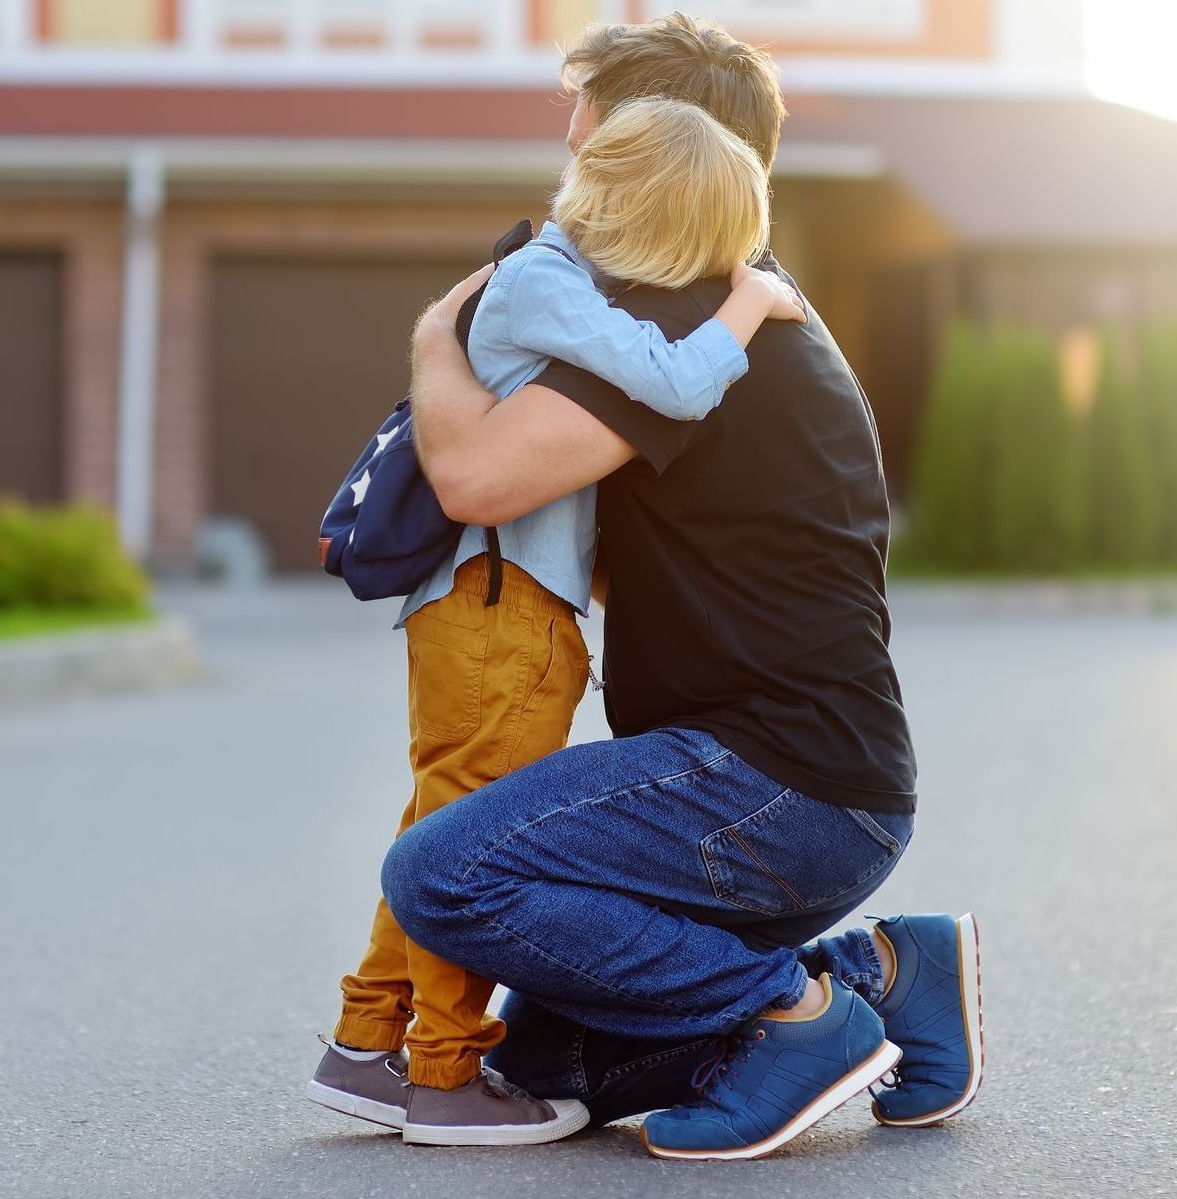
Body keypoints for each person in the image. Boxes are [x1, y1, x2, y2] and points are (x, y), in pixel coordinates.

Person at [373, 14, 985, 1161]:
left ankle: (795, 1015)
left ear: (656, 138)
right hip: (810, 789)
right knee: (552, 1062)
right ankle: (890, 971)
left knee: (442, 875)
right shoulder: (732, 303)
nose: (569, 140)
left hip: (769, 785)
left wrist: (437, 330)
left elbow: (473, 474)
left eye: (586, 115)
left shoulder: (680, 315)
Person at [309, 95, 808, 1147]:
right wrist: (750, 305)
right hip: (501, 610)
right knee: (466, 846)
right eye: (704, 235)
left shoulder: (547, 280)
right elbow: (675, 380)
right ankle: (441, 1069)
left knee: (439, 822)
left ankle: (367, 1041)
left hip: (500, 608)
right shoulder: (546, 278)